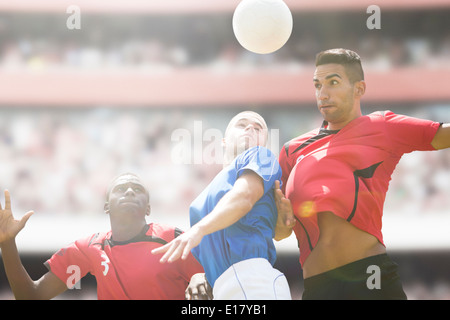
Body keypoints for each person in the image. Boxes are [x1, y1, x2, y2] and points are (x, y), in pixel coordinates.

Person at [276, 48, 450, 300]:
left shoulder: (383, 126)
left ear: (359, 89)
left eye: (333, 82)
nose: (323, 93)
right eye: (317, 85)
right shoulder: (291, 150)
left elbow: (444, 134)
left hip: (372, 279)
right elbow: (280, 233)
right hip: (318, 287)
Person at [152, 111, 292, 300]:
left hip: (254, 280)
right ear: (224, 141)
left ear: (264, 143)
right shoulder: (201, 201)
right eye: (242, 124)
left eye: (258, 127)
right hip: (223, 288)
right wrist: (201, 276)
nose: (251, 127)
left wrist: (199, 229)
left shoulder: (262, 157)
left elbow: (244, 197)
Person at [0, 173, 207, 300]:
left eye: (137, 189)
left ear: (148, 208)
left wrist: (201, 277)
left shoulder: (174, 238)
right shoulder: (88, 248)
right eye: (120, 189)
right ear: (107, 206)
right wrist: (7, 243)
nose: (129, 191)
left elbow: (215, 284)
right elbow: (31, 297)